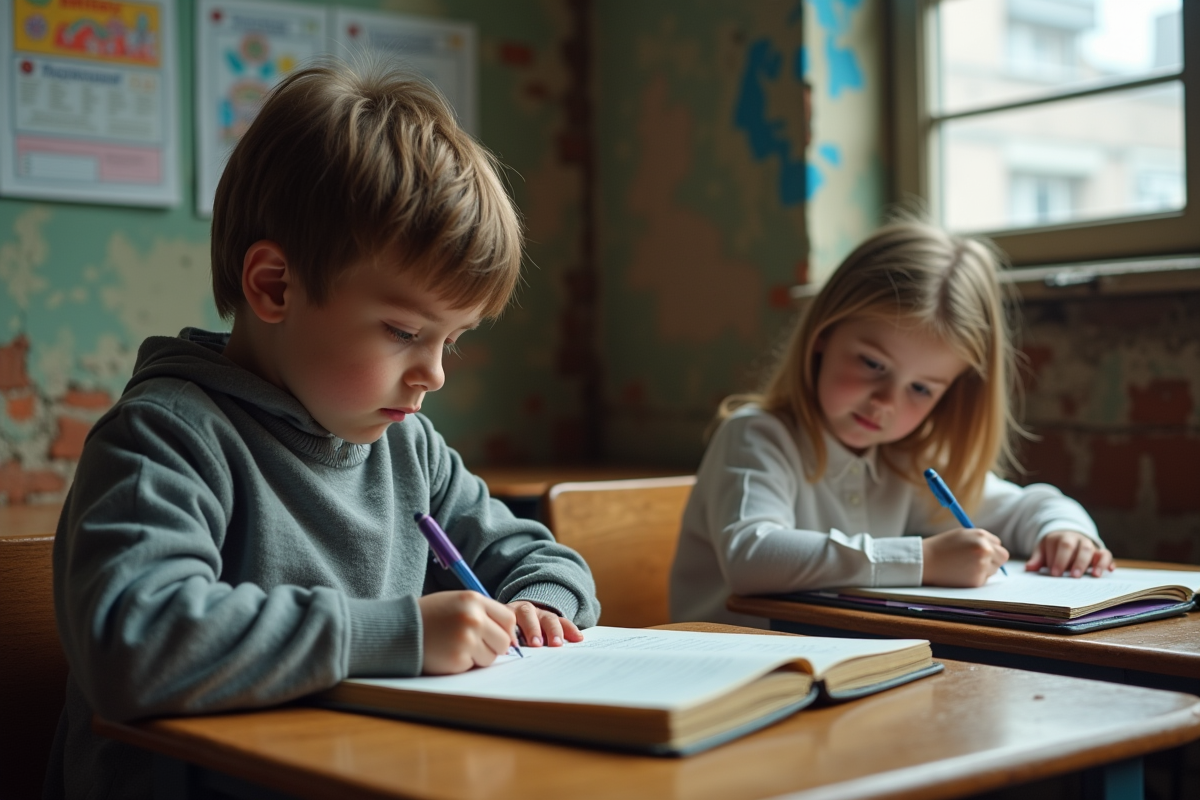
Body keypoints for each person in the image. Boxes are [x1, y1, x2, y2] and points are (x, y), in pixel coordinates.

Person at [46, 56, 599, 799]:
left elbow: (540, 557)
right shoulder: (165, 438)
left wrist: (539, 608)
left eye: (453, 340)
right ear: (274, 286)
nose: (435, 373)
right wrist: (401, 635)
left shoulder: (409, 449)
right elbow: (134, 640)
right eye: (403, 332)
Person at [669, 220, 1112, 628]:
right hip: (735, 672)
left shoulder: (908, 458)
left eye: (920, 388)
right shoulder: (757, 436)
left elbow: (1021, 509)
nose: (885, 402)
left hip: (848, 668)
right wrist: (924, 559)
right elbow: (751, 557)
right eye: (872, 363)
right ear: (824, 333)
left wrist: (1065, 531)